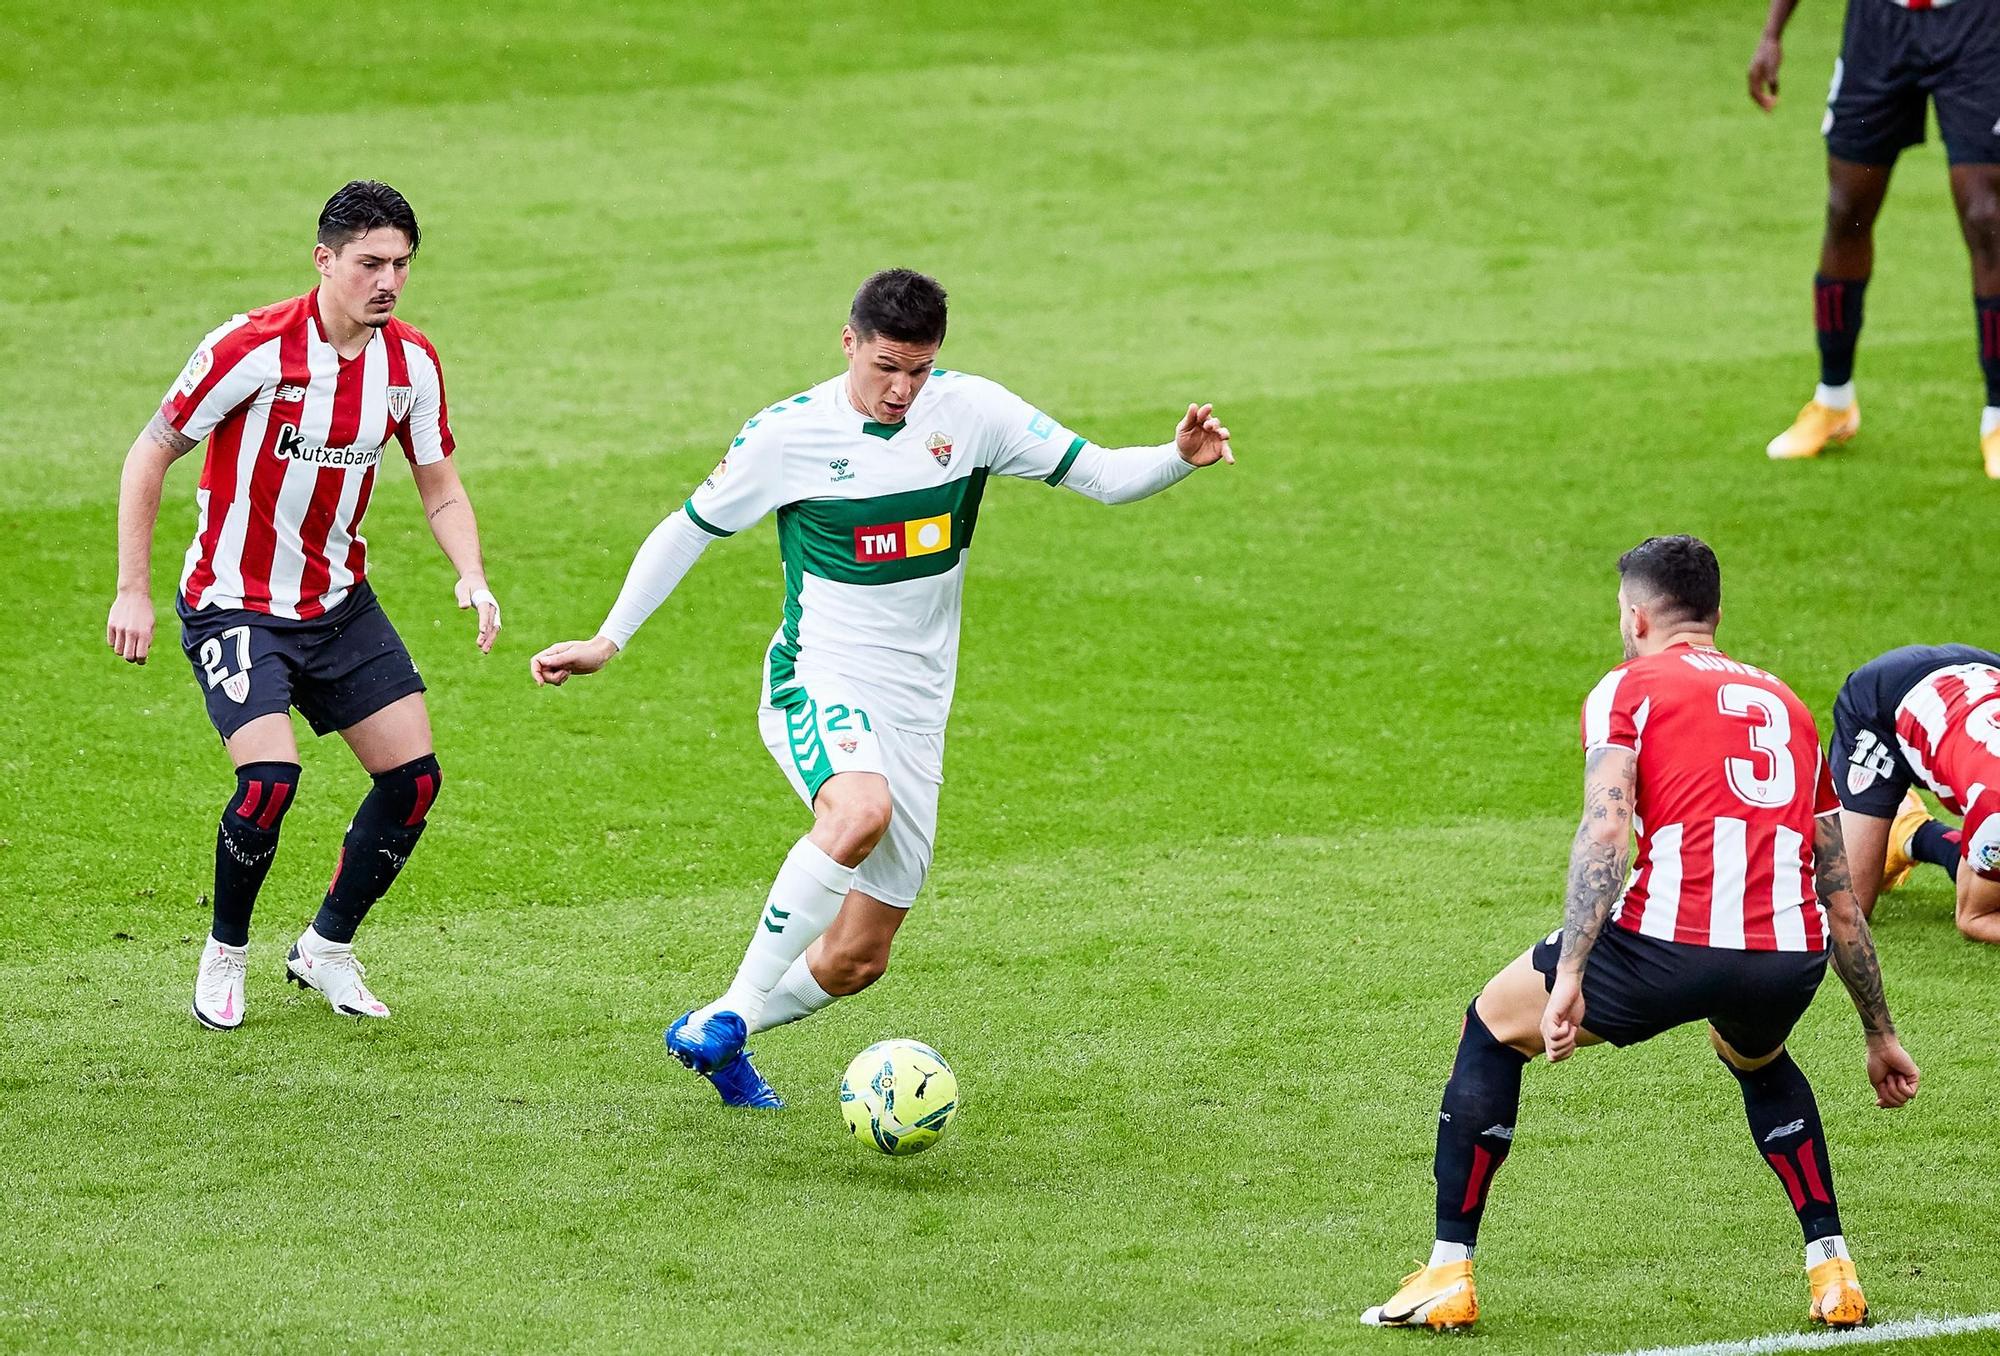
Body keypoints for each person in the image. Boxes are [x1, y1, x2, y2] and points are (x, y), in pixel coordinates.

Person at [531, 268, 1233, 1108]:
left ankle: (720, 1034)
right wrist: (610, 638)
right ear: (849, 343)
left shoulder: (972, 414)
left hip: (917, 704)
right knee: (859, 812)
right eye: (886, 367)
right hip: (819, 675)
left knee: (859, 958)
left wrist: (1178, 458)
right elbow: (688, 529)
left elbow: (1106, 476)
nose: (902, 390)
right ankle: (736, 1008)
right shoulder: (786, 436)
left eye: (920, 370)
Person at [1362, 536, 1918, 1332]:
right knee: (1755, 1057)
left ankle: (1448, 1272)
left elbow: (1605, 834)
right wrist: (1880, 1034)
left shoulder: (1627, 688)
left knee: (1490, 1028)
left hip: (1666, 946)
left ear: (1634, 615)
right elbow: (1838, 890)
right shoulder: (1789, 704)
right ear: (1715, 615)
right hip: (1786, 957)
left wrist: (1572, 971)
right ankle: (1834, 1271)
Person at [105, 180, 500, 1030]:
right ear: (325, 260)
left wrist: (471, 572)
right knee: (270, 780)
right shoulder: (250, 347)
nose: (387, 280)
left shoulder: (410, 364)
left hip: (338, 604)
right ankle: (224, 954)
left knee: (414, 782)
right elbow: (151, 452)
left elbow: (440, 487)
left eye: (400, 264)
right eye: (369, 263)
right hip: (234, 603)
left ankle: (325, 949)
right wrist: (132, 590)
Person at [1749, 0, 2000, 474]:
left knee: (1987, 216)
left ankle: (1999, 417)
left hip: (1976, 26)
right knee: (1847, 212)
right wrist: (1772, 33)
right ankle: (1834, 401)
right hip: (1879, 28)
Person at [1828, 643, 2000, 943]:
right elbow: (1976, 917)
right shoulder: (1995, 810)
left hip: (1981, 679)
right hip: (1885, 699)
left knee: (1989, 858)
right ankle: (1907, 828)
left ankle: (1918, 833)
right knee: (1849, 907)